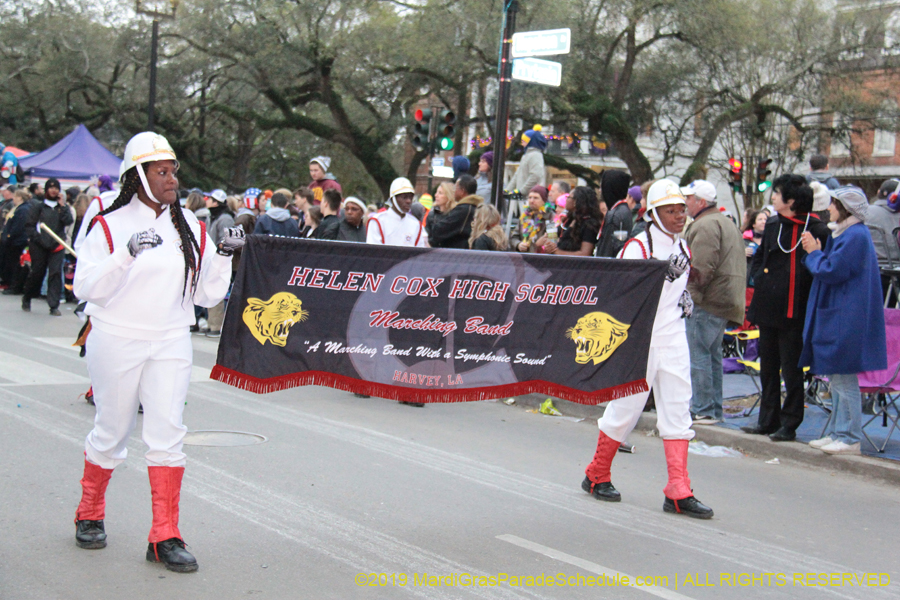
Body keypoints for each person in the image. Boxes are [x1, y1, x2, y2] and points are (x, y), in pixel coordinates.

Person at [72, 132, 242, 572]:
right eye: (161, 172)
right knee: (112, 430)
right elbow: (86, 288)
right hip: (116, 337)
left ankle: (164, 534)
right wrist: (125, 255)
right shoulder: (109, 223)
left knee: (168, 435)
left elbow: (206, 297)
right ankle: (90, 512)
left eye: (173, 171)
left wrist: (223, 256)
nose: (172, 179)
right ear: (138, 177)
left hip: (171, 339)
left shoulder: (189, 225)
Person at [582, 179, 713, 519]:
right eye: (671, 211)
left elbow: (679, 286)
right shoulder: (637, 248)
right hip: (640, 338)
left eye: (682, 209)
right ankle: (597, 473)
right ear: (654, 213)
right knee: (626, 407)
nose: (679, 216)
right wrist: (659, 280)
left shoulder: (681, 246)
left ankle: (678, 489)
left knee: (678, 407)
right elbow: (619, 294)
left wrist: (682, 295)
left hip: (672, 334)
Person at [742, 175, 830, 441]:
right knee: (768, 366)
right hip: (769, 305)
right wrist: (761, 280)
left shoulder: (817, 229)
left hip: (795, 309)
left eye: (777, 193)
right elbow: (760, 257)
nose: (773, 197)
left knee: (791, 369)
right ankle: (767, 420)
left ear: (790, 200)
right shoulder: (772, 225)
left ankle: (789, 423)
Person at [800, 186, 886, 455]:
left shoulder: (855, 235)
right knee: (837, 377)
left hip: (847, 316)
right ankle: (839, 431)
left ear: (845, 208)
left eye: (834, 204)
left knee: (844, 378)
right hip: (843, 313)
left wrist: (814, 252)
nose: (829, 209)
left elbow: (832, 270)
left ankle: (849, 436)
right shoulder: (850, 233)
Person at [681, 179, 747, 425]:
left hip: (708, 299)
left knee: (699, 355)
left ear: (700, 202)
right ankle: (712, 409)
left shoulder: (706, 225)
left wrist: (689, 296)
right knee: (711, 355)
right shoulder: (723, 222)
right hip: (724, 298)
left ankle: (704, 408)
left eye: (688, 198)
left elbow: (701, 268)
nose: (685, 203)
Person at [22, 178, 73, 316]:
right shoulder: (38, 207)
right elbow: (30, 226)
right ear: (46, 190)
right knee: (37, 272)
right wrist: (38, 239)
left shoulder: (62, 207)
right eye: (50, 187)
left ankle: (53, 305)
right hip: (39, 245)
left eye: (56, 187)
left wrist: (63, 206)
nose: (53, 190)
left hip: (57, 245)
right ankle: (27, 297)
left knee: (55, 273)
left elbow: (68, 221)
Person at [536, 186, 601, 256]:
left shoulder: (589, 225)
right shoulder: (569, 220)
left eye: (568, 197)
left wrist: (556, 252)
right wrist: (546, 242)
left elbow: (585, 254)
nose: (566, 200)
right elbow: (550, 238)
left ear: (576, 202)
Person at [367, 177, 427, 247]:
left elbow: (419, 254)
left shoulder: (416, 224)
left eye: (410, 197)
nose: (408, 201)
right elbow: (373, 252)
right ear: (393, 199)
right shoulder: (378, 221)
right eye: (404, 197)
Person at [428, 175, 483, 249]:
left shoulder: (463, 210)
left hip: (457, 254)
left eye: (456, 188)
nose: (454, 191)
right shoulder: (476, 208)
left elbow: (439, 230)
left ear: (462, 191)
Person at [594, 170, 634, 258]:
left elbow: (607, 249)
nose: (600, 191)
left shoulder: (615, 215)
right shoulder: (624, 210)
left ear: (610, 188)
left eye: (603, 187)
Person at [1, 188, 30, 294]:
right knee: (11, 263)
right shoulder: (17, 208)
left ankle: (14, 286)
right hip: (14, 241)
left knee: (15, 265)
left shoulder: (23, 210)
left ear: (20, 198)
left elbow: (18, 226)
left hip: (17, 241)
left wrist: (9, 236)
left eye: (15, 196)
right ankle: (10, 283)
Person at [512, 185, 553, 252]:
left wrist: (538, 245)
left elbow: (553, 241)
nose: (531, 200)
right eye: (530, 197)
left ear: (544, 201)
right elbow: (514, 237)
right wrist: (518, 244)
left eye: (536, 198)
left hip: (542, 258)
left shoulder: (550, 217)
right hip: (525, 258)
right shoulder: (524, 216)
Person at [508, 125, 546, 193]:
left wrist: (522, 191)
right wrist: (507, 190)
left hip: (529, 198)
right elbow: (517, 175)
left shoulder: (535, 155)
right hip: (522, 197)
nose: (522, 141)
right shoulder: (526, 156)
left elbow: (536, 176)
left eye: (525, 139)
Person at [742, 209, 767, 286]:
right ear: (753, 224)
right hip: (749, 281)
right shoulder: (744, 240)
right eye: (760, 219)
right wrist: (742, 253)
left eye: (765, 219)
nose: (763, 222)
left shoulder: (771, 240)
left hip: (765, 280)